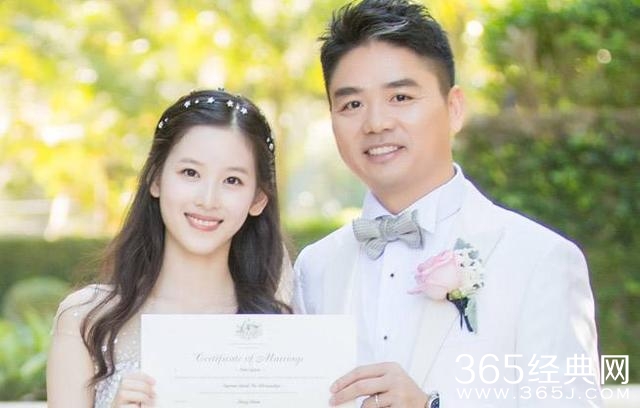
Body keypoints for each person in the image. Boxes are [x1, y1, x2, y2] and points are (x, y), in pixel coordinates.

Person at [293, 0, 601, 407]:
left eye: (400, 96)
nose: (376, 123)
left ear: (454, 108)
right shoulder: (314, 269)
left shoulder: (540, 259)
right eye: (352, 104)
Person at [47, 89, 291, 407]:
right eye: (190, 173)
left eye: (232, 180)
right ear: (156, 179)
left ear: (258, 199)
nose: (207, 199)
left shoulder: (282, 333)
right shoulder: (86, 319)